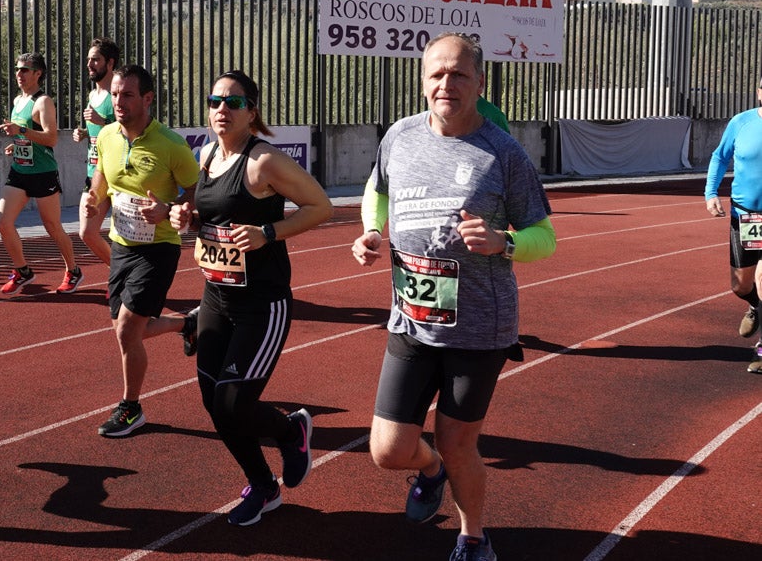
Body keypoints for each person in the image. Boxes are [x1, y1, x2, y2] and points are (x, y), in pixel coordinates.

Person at [351, 33, 556, 561]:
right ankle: (429, 470)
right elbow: (377, 193)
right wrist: (373, 232)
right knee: (388, 450)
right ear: (423, 82)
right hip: (412, 319)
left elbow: (545, 237)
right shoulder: (399, 136)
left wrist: (504, 241)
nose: (447, 84)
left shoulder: (503, 153)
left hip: (478, 329)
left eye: (459, 74)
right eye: (437, 74)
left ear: (479, 83)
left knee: (458, 442)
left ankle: (472, 537)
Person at [169, 71, 332, 526]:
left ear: (252, 112)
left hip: (263, 304)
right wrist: (186, 213)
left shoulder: (263, 162)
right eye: (215, 100)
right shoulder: (205, 156)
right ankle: (263, 486)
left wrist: (268, 233)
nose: (222, 109)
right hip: (217, 297)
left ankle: (290, 430)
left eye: (234, 103)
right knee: (213, 403)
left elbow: (322, 206)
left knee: (234, 404)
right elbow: (210, 213)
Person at [83, 63, 201, 437]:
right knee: (127, 328)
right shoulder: (106, 136)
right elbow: (103, 178)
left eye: (128, 95)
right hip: (122, 246)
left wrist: (170, 210)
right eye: (116, 94)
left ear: (148, 99)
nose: (118, 101)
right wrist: (93, 199)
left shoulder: (171, 145)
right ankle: (188, 323)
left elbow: (198, 192)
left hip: (159, 248)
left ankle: (131, 408)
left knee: (126, 331)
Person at [0, 52, 82, 295]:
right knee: (3, 222)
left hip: (43, 173)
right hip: (20, 171)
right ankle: (23, 271)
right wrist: (18, 143)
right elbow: (28, 137)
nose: (19, 74)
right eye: (17, 69)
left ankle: (73, 270)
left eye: (25, 70)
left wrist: (21, 130)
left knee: (53, 226)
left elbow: (51, 138)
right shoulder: (17, 101)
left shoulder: (43, 102)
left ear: (38, 73)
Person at [704, 76, 762, 374]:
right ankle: (754, 306)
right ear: (759, 92)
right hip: (747, 217)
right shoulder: (741, 123)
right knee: (741, 285)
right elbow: (719, 157)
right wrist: (711, 192)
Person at [72, 37, 118, 266]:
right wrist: (84, 134)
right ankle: (119, 272)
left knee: (126, 237)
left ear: (110, 63)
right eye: (88, 59)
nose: (89, 64)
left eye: (95, 60)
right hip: (94, 173)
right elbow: (99, 135)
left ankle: (123, 278)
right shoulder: (92, 95)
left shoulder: (119, 95)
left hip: (118, 174)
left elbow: (129, 132)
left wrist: (103, 120)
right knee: (87, 232)